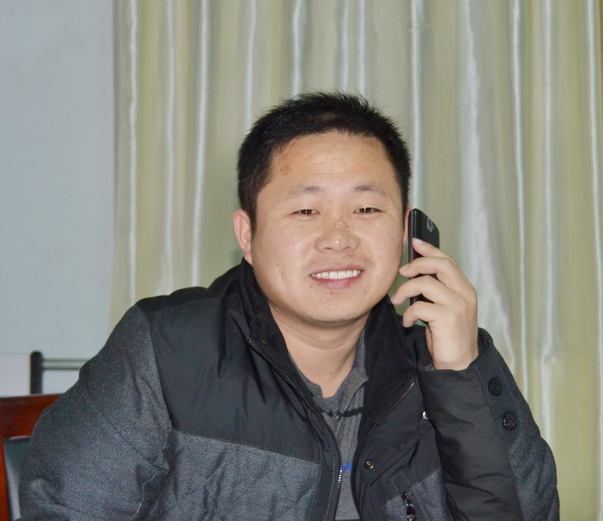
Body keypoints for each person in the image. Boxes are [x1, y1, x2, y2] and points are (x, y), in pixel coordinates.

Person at [20, 92, 559, 521]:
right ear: (247, 235)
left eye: (366, 209)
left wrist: (461, 374)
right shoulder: (164, 349)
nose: (338, 238)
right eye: (306, 211)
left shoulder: (441, 357)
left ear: (405, 231)